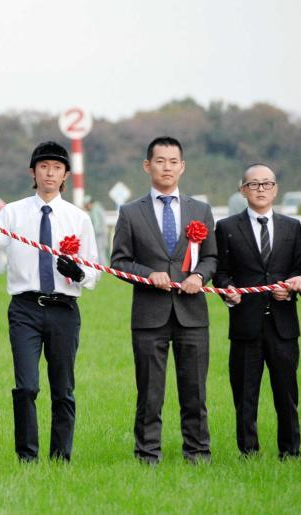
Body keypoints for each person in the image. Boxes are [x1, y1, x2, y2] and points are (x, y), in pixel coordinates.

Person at [0, 141, 100, 462]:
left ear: (65, 176)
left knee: (63, 389)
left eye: (56, 168)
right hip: (25, 310)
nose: (49, 173)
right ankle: (27, 457)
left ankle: (61, 458)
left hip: (64, 311)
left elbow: (94, 273)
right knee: (27, 387)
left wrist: (79, 272)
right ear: (33, 172)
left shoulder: (78, 218)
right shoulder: (12, 213)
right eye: (43, 167)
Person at [110, 136, 217, 465]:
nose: (166, 167)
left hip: (192, 315)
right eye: (160, 161)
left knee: (195, 391)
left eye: (173, 162)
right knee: (150, 392)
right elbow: (119, 262)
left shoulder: (201, 210)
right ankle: (147, 455)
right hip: (149, 315)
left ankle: (198, 453)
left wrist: (199, 276)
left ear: (182, 167)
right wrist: (148, 274)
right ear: (147, 166)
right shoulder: (130, 212)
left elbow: (212, 258)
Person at [214, 164, 301, 459]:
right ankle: (249, 451)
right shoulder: (227, 228)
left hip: (283, 325)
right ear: (242, 190)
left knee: (287, 392)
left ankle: (291, 450)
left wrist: (292, 287)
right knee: (244, 393)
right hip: (245, 323)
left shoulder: (294, 227)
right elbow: (221, 273)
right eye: (253, 185)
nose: (261, 189)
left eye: (267, 184)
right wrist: (228, 294)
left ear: (276, 188)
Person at [85, 196, 109, 266]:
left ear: (89, 204)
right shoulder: (99, 208)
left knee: (99, 252)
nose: (86, 208)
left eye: (86, 205)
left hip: (99, 235)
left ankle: (103, 267)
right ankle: (104, 267)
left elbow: (97, 225)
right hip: (103, 234)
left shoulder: (94, 210)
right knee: (102, 251)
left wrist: (90, 234)